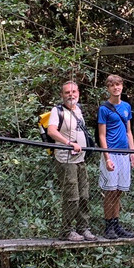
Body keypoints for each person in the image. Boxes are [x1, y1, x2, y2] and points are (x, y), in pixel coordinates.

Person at [45, 80, 96, 242]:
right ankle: (66, 230)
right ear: (62, 95)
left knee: (84, 195)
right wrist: (68, 143)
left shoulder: (78, 110)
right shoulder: (57, 111)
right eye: (67, 92)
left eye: (74, 92)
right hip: (65, 159)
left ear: (78, 93)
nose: (71, 95)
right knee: (71, 196)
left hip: (80, 159)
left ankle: (83, 228)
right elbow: (51, 131)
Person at [97, 74, 134, 239]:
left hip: (124, 154)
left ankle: (116, 225)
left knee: (119, 192)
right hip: (111, 154)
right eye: (113, 85)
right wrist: (106, 157)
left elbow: (129, 131)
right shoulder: (104, 109)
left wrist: (133, 152)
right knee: (110, 191)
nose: (116, 88)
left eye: (119, 85)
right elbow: (102, 135)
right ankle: (108, 227)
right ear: (108, 88)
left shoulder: (126, 107)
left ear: (122, 87)